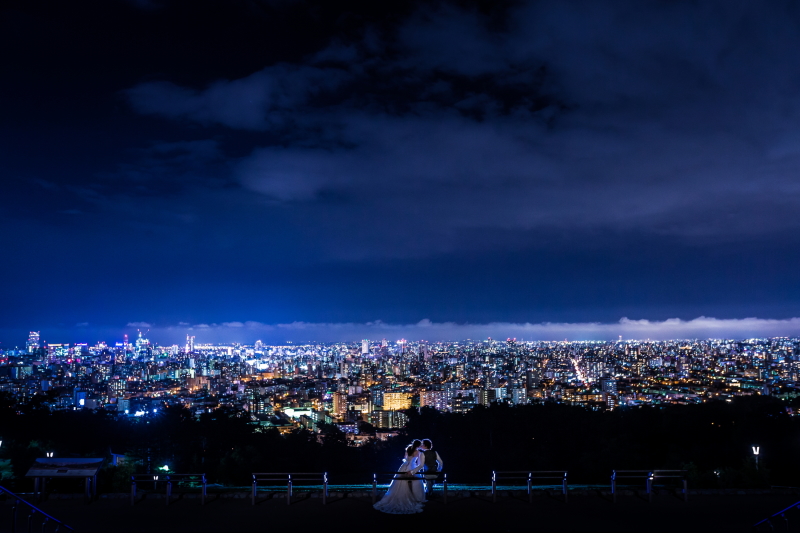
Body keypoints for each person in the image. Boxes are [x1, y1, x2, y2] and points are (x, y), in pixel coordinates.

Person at [373, 443, 426, 514]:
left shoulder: (409, 448)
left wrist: (408, 461)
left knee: (400, 482)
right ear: (418, 446)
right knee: (415, 483)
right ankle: (416, 498)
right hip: (413, 467)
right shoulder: (418, 452)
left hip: (404, 466)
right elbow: (419, 463)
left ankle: (405, 497)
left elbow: (405, 457)